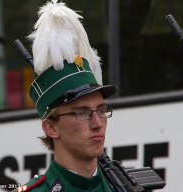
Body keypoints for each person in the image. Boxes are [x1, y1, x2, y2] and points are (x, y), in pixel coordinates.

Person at [12, 1, 118, 191]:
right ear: (51, 127)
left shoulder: (125, 187)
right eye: (82, 113)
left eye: (101, 110)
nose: (97, 123)